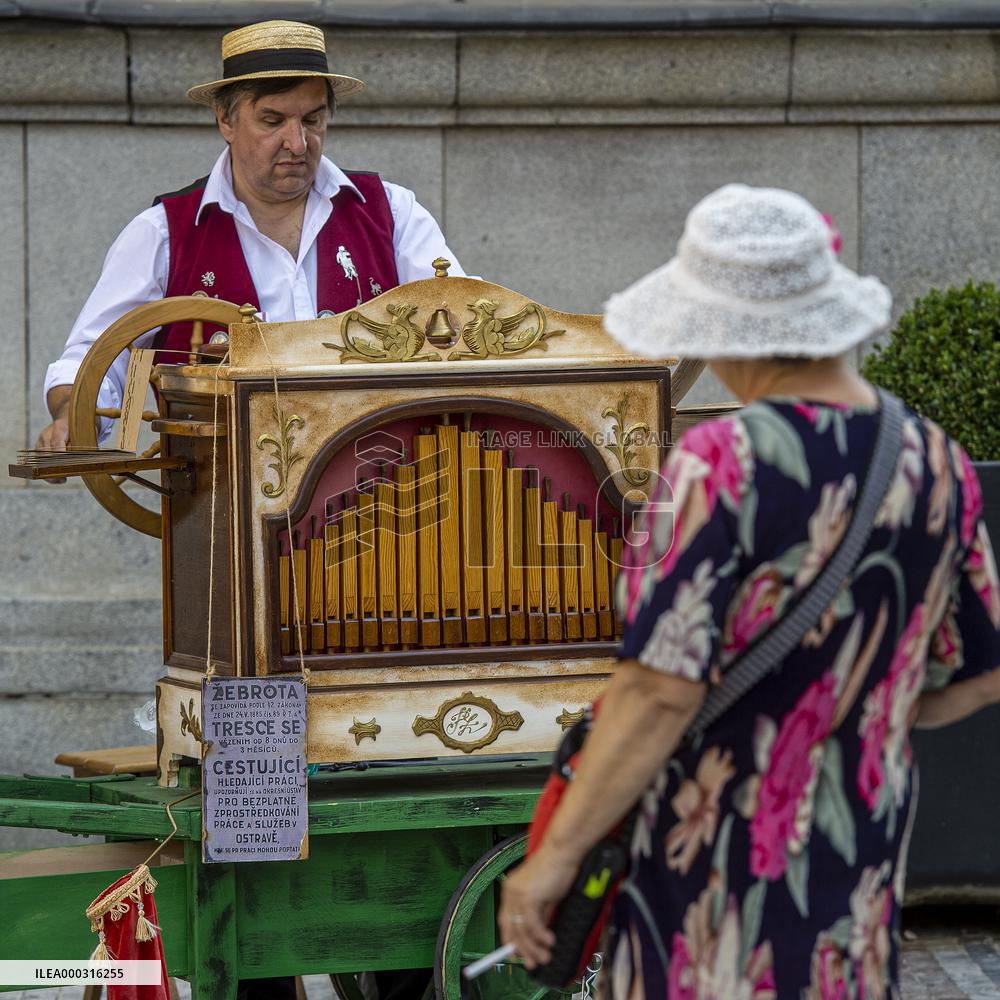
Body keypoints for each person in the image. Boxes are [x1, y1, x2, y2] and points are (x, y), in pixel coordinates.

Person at [498, 184, 1000, 997]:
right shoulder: (934, 457)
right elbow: (974, 674)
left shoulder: (718, 465)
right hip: (857, 883)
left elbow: (657, 690)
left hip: (712, 893)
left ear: (724, 327)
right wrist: (846, 708)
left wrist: (551, 860)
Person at [37, 18, 465, 452]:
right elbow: (93, 358)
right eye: (272, 120)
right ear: (225, 119)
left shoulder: (392, 213)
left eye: (312, 120)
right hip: (218, 505)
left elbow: (463, 331)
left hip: (380, 496)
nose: (297, 143)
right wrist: (75, 414)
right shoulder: (164, 233)